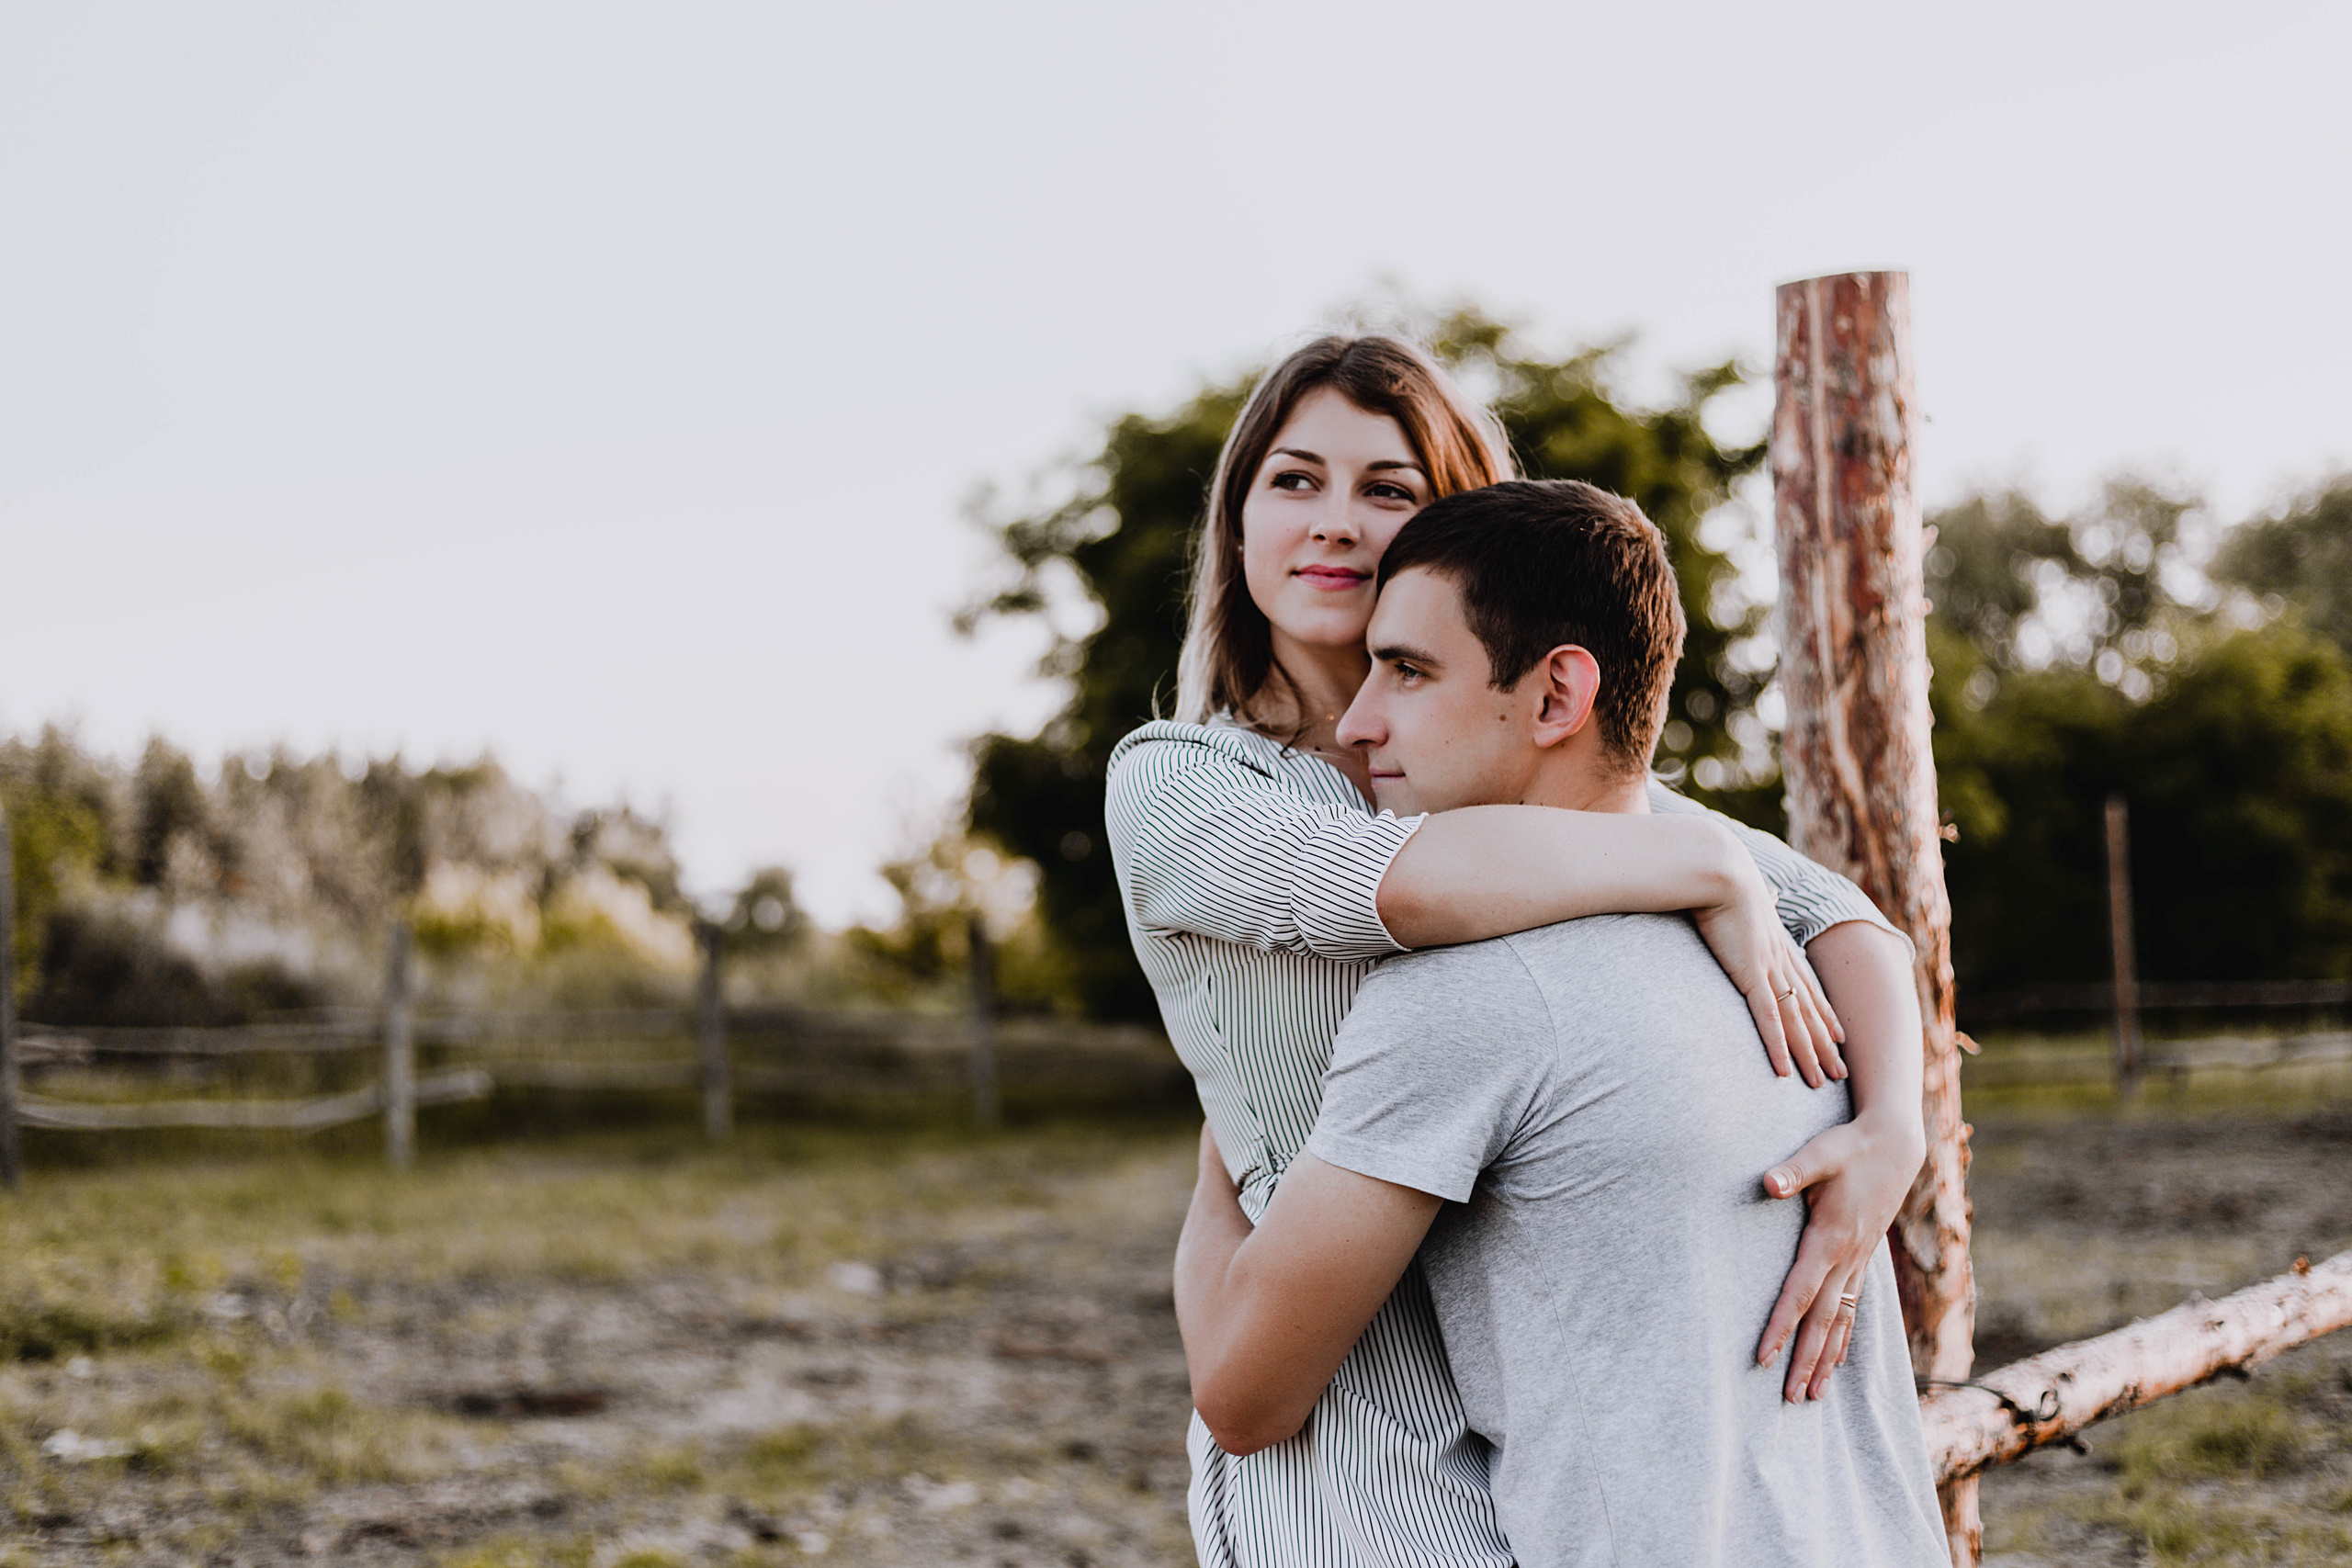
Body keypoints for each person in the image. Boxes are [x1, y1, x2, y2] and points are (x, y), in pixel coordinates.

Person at [1102, 335, 1926, 1566]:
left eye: (1387, 489)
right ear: (1233, 521)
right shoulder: (1184, 783)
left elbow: (1848, 917)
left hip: (1534, 1393)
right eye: (1294, 480)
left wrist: (1893, 1125)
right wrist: (1706, 867)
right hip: (1353, 1424)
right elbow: (1407, 888)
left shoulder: (1513, 777)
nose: (1335, 523)